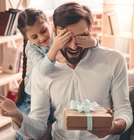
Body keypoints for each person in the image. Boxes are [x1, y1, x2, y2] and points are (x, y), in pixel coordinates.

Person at [0, 2, 132, 140]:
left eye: (81, 37)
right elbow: (38, 129)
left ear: (90, 32)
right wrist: (16, 115)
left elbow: (124, 111)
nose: (74, 46)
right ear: (55, 32)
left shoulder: (114, 60)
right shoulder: (43, 71)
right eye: (67, 37)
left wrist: (114, 126)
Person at [15, 7, 98, 140]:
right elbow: (44, 71)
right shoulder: (30, 49)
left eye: (43, 31)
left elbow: (85, 47)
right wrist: (55, 49)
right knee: (26, 133)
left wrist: (94, 42)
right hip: (32, 98)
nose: (42, 38)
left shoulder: (58, 36)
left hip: (53, 93)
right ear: (27, 38)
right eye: (34, 36)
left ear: (49, 24)